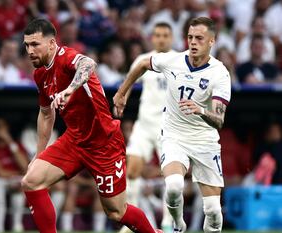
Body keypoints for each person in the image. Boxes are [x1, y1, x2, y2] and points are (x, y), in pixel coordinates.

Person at [20, 18, 161, 233]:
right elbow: (46, 113)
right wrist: (39, 154)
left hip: (103, 141)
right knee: (31, 181)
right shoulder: (40, 74)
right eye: (27, 45)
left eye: (35, 44)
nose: (30, 50)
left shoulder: (66, 57)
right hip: (75, 139)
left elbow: (88, 64)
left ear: (51, 43)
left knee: (116, 211)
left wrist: (71, 88)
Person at [114, 17, 231, 233]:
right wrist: (121, 93)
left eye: (199, 38)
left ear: (212, 41)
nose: (193, 42)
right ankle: (176, 225)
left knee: (213, 211)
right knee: (174, 185)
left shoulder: (220, 74)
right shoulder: (173, 60)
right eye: (190, 37)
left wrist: (200, 110)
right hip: (173, 134)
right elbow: (141, 64)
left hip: (204, 140)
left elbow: (219, 119)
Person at [119, 22, 176, 233]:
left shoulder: (180, 61)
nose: (161, 39)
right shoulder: (144, 60)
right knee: (131, 171)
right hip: (144, 125)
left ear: (172, 37)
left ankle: (168, 224)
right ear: (152, 38)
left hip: (169, 128)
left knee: (171, 177)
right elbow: (129, 82)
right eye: (158, 35)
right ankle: (129, 224)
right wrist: (122, 96)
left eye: (165, 35)